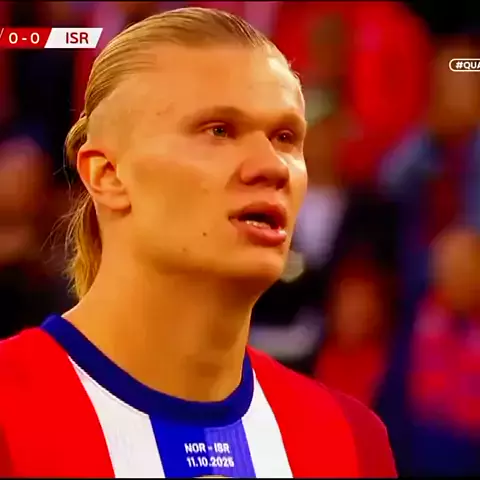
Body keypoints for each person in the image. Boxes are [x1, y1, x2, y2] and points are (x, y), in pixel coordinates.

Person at [0, 8, 397, 478]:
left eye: (286, 137)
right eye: (219, 130)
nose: (272, 166)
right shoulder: (11, 411)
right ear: (107, 174)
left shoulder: (351, 441)